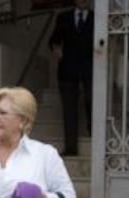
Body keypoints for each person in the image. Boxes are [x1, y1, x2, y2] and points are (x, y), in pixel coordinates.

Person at [49, 0, 94, 156]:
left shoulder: (97, 18)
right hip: (67, 69)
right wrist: (55, 48)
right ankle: (70, 147)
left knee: (91, 100)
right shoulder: (64, 17)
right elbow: (54, 39)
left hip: (92, 69)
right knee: (69, 109)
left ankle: (94, 134)